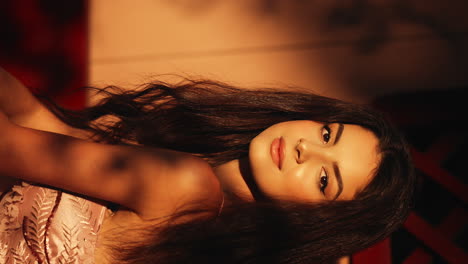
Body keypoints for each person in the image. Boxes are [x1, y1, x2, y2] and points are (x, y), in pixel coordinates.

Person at [0, 67, 415, 264]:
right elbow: (48, 128)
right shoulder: (197, 183)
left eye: (325, 179)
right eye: (327, 134)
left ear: (318, 222)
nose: (307, 149)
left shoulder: (186, 188)